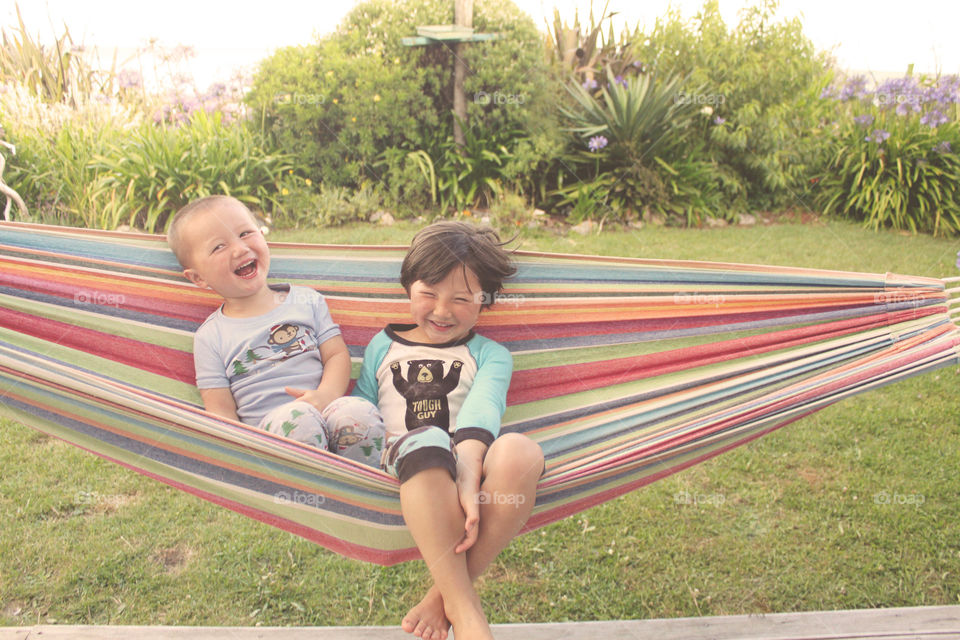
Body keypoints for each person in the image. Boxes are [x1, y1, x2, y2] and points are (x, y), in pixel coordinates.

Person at [331, 221, 544, 640]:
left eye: (461, 299)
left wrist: (466, 470)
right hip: (403, 464)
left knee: (521, 451)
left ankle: (443, 598)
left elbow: (484, 408)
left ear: (486, 301)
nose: (442, 311)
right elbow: (365, 408)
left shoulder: (490, 354)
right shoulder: (382, 344)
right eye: (428, 294)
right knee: (424, 438)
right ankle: (466, 613)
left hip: (468, 461)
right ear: (408, 288)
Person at [167, 195, 383, 467]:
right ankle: (318, 496)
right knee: (300, 421)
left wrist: (326, 395)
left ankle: (361, 491)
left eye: (245, 233)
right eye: (219, 247)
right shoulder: (210, 337)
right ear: (198, 277)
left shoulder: (307, 301)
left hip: (327, 407)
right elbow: (221, 411)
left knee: (360, 412)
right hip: (271, 436)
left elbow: (337, 355)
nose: (239, 249)